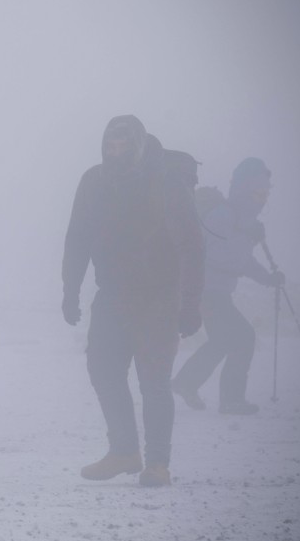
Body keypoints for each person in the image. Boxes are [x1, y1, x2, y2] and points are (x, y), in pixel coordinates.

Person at [61, 115, 205, 487]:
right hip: (111, 295)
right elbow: (77, 237)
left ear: (139, 146)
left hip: (159, 297)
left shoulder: (166, 182)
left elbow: (191, 244)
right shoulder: (93, 181)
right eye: (110, 146)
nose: (116, 153)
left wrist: (190, 303)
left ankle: (157, 463)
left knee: (154, 380)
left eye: (124, 146)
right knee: (103, 370)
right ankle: (124, 451)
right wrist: (70, 290)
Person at [171, 158, 284, 415]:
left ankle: (186, 383)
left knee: (223, 340)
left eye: (266, 193)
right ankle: (230, 400)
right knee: (243, 337)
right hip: (204, 291)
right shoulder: (223, 216)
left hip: (217, 292)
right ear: (243, 190)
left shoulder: (242, 223)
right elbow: (211, 254)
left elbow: (241, 259)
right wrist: (247, 238)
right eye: (258, 192)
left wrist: (268, 277)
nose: (262, 199)